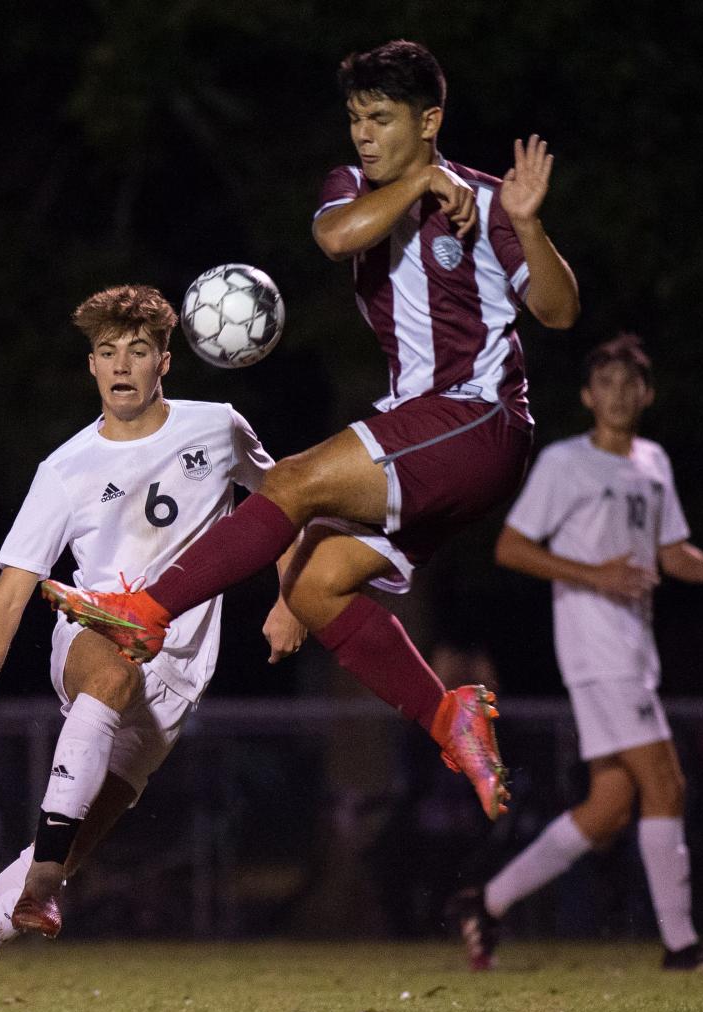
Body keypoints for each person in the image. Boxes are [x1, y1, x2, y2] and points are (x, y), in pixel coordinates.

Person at [37, 40, 580, 821]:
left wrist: (528, 226)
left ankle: (145, 612)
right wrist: (423, 179)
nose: (364, 134)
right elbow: (336, 236)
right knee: (314, 582)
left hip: (477, 418)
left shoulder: (491, 204)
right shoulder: (352, 189)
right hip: (432, 434)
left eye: (383, 119)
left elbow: (560, 311)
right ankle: (446, 716)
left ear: (430, 121)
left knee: (288, 481)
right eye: (357, 118)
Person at [0, 283, 303, 1012]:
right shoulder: (64, 468)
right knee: (109, 661)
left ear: (166, 359)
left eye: (137, 351)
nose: (121, 367)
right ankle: (46, 872)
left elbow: (287, 503)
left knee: (66, 845)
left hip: (177, 685)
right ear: (92, 366)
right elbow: (8, 595)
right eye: (107, 353)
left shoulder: (218, 427)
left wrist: (289, 600)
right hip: (95, 631)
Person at [453, 333, 703, 972]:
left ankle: (486, 902)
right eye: (604, 382)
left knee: (609, 807)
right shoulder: (566, 463)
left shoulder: (653, 462)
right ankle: (683, 948)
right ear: (588, 396)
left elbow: (670, 553)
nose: (616, 393)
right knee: (666, 784)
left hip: (634, 651)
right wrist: (595, 575)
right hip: (596, 650)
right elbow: (510, 547)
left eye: (628, 383)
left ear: (646, 394)